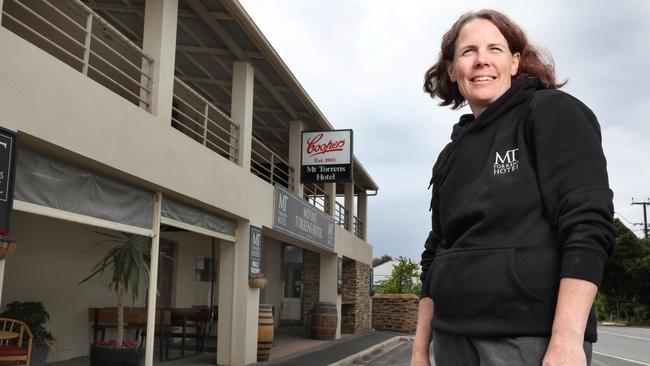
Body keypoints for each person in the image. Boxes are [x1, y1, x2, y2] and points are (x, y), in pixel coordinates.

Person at [410, 9, 615, 366]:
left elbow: (587, 224)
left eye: (495, 49)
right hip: (451, 338)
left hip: (528, 337)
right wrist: (418, 352)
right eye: (468, 51)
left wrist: (567, 342)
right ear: (452, 69)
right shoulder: (449, 154)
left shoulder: (550, 111)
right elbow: (436, 252)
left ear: (515, 62)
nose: (481, 61)